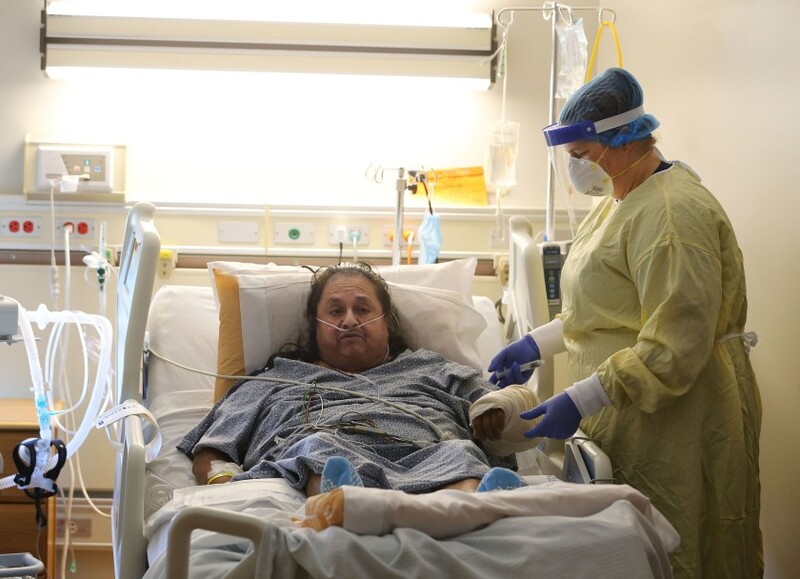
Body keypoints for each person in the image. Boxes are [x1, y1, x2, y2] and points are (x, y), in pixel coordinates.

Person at [488, 68, 762, 578]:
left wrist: (581, 397)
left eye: (581, 157)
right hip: (631, 413)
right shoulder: (619, 198)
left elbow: (674, 346)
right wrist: (535, 343)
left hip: (682, 417)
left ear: (621, 140)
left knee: (683, 546)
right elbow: (601, 308)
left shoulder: (673, 217)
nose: (576, 171)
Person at [178, 261, 538, 499]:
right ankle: (345, 504)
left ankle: (466, 507)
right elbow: (212, 449)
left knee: (461, 452)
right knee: (317, 449)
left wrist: (500, 412)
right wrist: (221, 482)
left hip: (430, 461)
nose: (349, 320)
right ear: (316, 327)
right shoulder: (277, 380)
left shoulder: (433, 368)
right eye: (335, 311)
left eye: (363, 309)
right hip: (328, 466)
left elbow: (502, 412)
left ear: (386, 323)